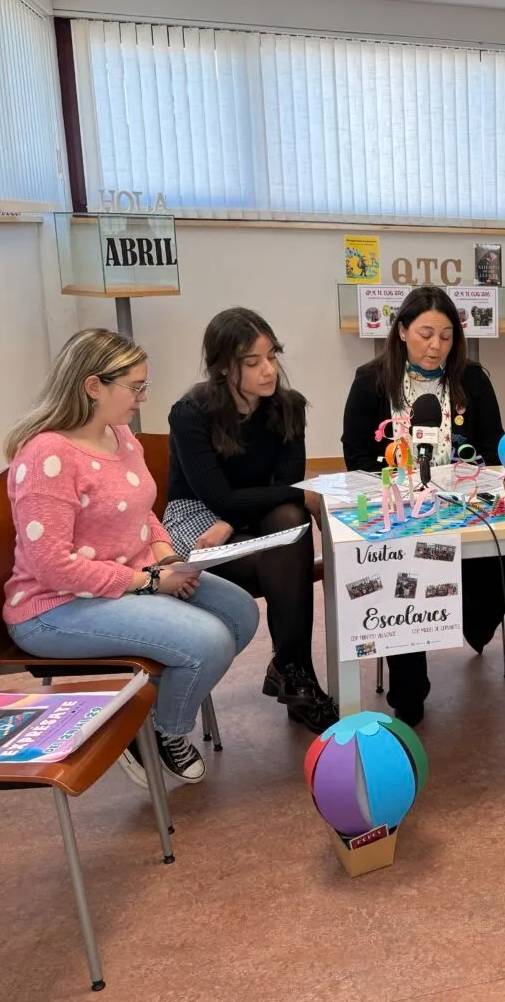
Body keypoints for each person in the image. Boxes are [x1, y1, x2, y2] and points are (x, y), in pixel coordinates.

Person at [2, 328, 259, 786]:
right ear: (93, 386)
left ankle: (144, 716)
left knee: (240, 613)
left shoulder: (120, 435)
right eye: (135, 387)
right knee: (208, 641)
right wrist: (149, 581)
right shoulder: (46, 457)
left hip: (129, 577)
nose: (143, 397)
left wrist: (164, 554)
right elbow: (52, 567)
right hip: (55, 607)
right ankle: (161, 732)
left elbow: (142, 510)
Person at [341, 285, 505, 726]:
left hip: (461, 509)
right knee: (405, 583)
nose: (435, 346)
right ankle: (409, 691)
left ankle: (465, 627)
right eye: (425, 334)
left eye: (445, 336)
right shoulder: (370, 380)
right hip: (400, 513)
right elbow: (357, 459)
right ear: (402, 331)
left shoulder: (472, 379)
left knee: (502, 577)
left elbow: (492, 452)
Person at [165, 308, 337, 734]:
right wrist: (234, 514)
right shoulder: (190, 413)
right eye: (253, 361)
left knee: (290, 518)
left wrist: (239, 515)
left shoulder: (289, 407)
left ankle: (291, 669)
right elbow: (217, 496)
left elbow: (285, 485)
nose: (269, 370)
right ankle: (295, 673)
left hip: (254, 517)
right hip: (198, 521)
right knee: (288, 547)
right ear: (224, 366)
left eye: (272, 356)